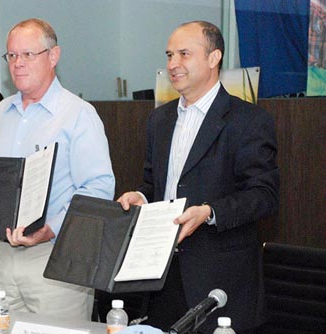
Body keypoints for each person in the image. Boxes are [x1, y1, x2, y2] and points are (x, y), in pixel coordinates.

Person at [117, 21, 279, 334]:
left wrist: (209, 212)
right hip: (164, 279)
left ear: (214, 57)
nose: (173, 64)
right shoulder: (159, 120)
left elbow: (264, 195)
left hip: (220, 281)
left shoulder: (248, 120)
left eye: (184, 54)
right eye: (169, 55)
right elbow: (154, 184)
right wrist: (141, 197)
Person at [0, 18, 115, 320]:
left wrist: (50, 227)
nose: (18, 64)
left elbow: (98, 189)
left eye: (28, 54)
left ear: (53, 56)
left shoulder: (79, 115)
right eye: (12, 55)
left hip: (57, 257)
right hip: (2, 257)